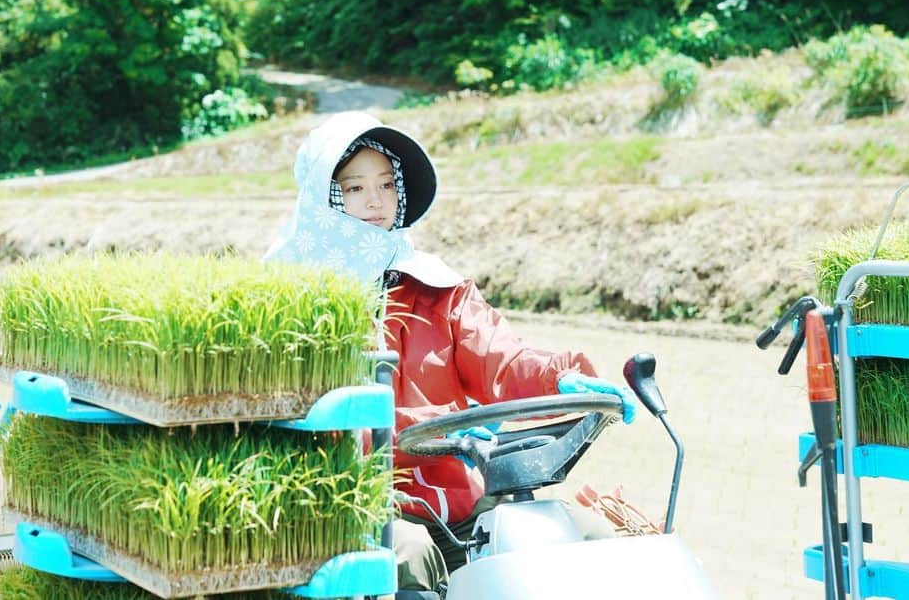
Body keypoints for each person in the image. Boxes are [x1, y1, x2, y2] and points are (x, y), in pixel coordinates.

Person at [265, 111, 636, 592]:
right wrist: (431, 427)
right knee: (408, 551)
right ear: (323, 200)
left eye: (385, 185)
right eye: (354, 189)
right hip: (351, 506)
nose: (375, 202)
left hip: (456, 503)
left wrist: (558, 376)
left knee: (573, 530)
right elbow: (307, 419)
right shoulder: (293, 300)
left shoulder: (437, 287)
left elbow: (499, 355)